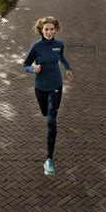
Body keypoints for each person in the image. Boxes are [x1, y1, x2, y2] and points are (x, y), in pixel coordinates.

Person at [23, 16, 73, 176]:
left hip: (56, 86)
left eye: (52, 29)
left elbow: (62, 57)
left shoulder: (59, 45)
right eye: (46, 29)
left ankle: (49, 159)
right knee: (45, 113)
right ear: (41, 30)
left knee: (51, 121)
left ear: (56, 30)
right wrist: (32, 69)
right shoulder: (36, 47)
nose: (49, 32)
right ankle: (48, 113)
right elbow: (25, 65)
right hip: (40, 87)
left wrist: (67, 68)